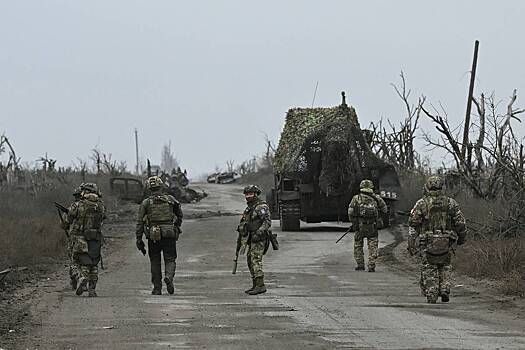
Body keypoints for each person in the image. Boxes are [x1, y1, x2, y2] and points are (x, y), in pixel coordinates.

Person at [408, 175, 466, 303]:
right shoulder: (451, 203)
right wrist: (461, 239)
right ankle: (444, 287)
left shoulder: (421, 203)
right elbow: (460, 223)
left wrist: (411, 242)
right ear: (442, 187)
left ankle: (432, 293)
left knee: (429, 266)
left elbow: (413, 224)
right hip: (446, 241)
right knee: (445, 265)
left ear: (427, 187)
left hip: (427, 242)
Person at [136, 176, 183, 295]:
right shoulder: (171, 200)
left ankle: (157, 288)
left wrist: (139, 239)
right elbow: (180, 214)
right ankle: (169, 277)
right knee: (170, 259)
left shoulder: (146, 203)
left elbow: (140, 222)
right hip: (169, 233)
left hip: (153, 235)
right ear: (161, 187)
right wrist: (176, 226)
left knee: (155, 261)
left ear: (149, 188)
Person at [64, 183, 106, 297]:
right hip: (95, 239)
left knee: (76, 261)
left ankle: (81, 278)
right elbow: (103, 218)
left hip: (79, 238)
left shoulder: (78, 205)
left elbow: (67, 221)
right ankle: (92, 290)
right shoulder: (101, 206)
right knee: (93, 264)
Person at [236, 185, 272, 295]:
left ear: (255, 194)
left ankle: (260, 285)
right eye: (246, 194)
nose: (248, 196)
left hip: (259, 238)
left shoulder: (260, 206)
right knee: (250, 260)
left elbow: (267, 222)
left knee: (255, 260)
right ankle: (255, 284)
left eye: (250, 194)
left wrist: (259, 232)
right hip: (251, 237)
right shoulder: (250, 208)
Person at [348, 179, 387, 272]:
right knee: (373, 246)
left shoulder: (356, 198)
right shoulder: (377, 198)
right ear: (371, 187)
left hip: (360, 226)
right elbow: (385, 210)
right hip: (372, 226)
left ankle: (360, 265)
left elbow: (350, 212)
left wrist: (354, 223)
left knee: (358, 245)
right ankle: (371, 265)